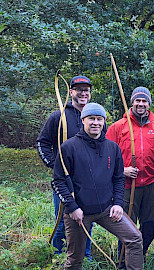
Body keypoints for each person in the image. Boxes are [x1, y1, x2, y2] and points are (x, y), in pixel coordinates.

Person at [52, 103, 143, 270]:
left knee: (134, 238)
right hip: (79, 213)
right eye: (91, 119)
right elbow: (58, 181)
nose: (95, 123)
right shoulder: (68, 147)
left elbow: (118, 178)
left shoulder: (112, 148)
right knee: (74, 259)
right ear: (83, 120)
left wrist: (117, 204)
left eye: (99, 119)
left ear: (104, 122)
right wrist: (72, 208)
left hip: (106, 209)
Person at [36, 75, 93, 257]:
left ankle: (86, 257)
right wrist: (54, 166)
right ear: (71, 92)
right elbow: (42, 142)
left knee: (86, 219)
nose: (83, 93)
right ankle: (60, 258)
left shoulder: (95, 117)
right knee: (63, 220)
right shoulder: (58, 116)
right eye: (79, 90)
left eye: (86, 90)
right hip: (64, 180)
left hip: (88, 181)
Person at [106, 87, 154, 262]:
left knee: (149, 227)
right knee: (125, 227)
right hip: (126, 187)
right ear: (132, 102)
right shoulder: (118, 127)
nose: (140, 104)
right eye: (137, 100)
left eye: (144, 101)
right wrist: (121, 171)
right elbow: (106, 157)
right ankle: (123, 262)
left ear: (148, 104)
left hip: (151, 186)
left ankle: (140, 255)